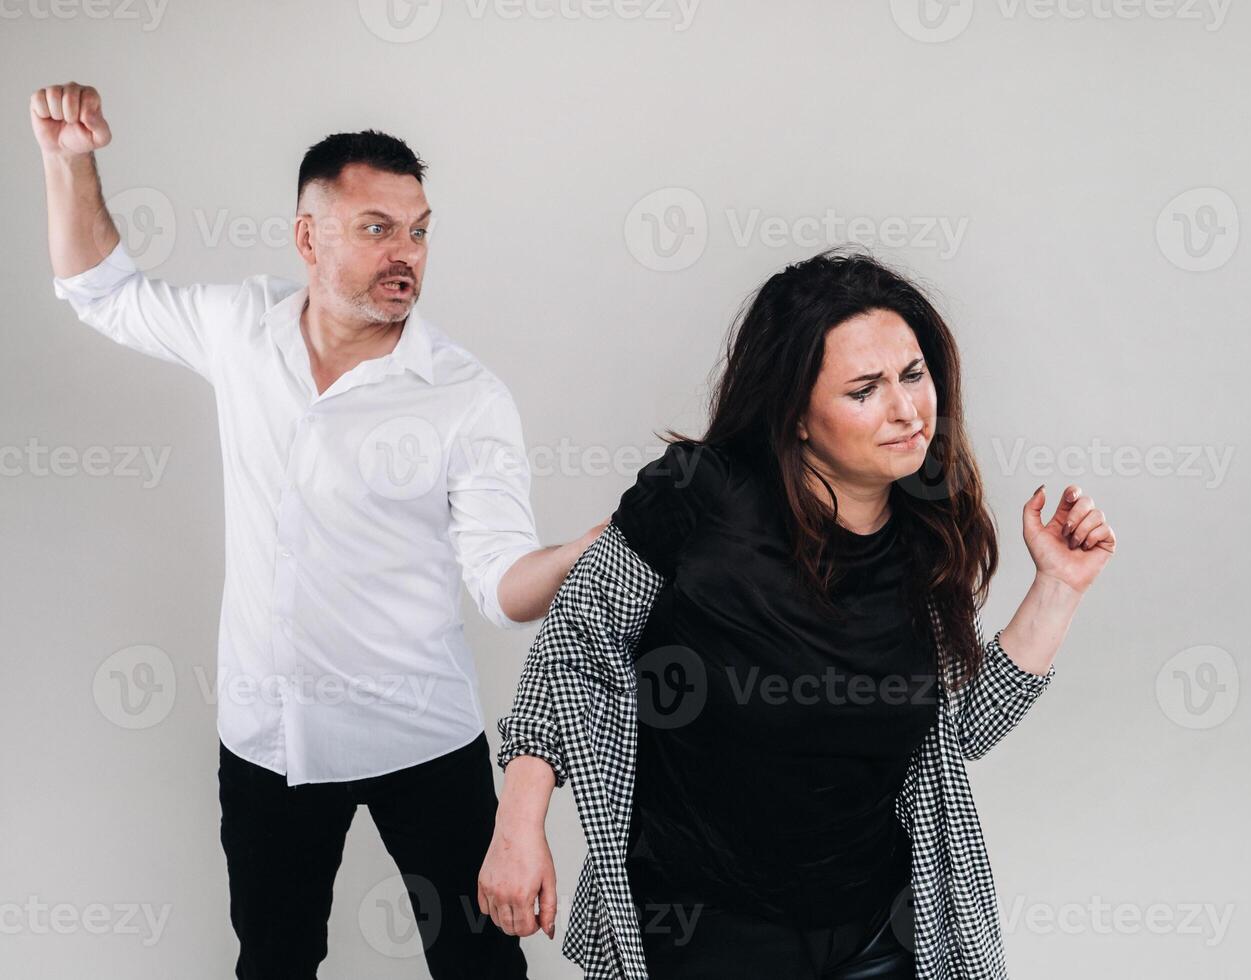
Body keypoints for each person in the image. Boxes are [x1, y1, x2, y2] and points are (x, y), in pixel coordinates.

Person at [31, 81, 604, 979]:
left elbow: (502, 588)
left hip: (422, 736)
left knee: (483, 968)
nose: (405, 252)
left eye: (417, 229)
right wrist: (70, 160)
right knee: (275, 961)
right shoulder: (238, 330)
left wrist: (591, 548)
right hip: (270, 740)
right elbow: (99, 290)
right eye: (377, 228)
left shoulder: (467, 396)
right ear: (309, 238)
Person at [479, 249, 1118, 978]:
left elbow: (960, 727)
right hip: (706, 929)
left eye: (913, 375)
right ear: (797, 416)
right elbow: (576, 646)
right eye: (864, 390)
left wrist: (1058, 587)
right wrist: (518, 824)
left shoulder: (922, 532)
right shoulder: (698, 497)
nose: (907, 410)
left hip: (878, 929)